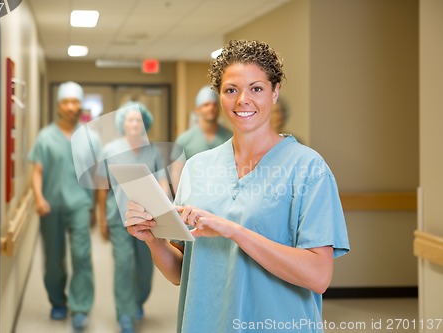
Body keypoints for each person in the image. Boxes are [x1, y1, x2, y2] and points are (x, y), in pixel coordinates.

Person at [125, 40, 350, 333]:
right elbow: (183, 272)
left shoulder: (308, 168)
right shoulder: (198, 167)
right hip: (204, 322)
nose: (243, 100)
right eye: (231, 90)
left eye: (256, 88)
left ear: (275, 92)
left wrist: (233, 230)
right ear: (220, 96)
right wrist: (152, 238)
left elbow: (319, 276)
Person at [29, 81, 98, 331]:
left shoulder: (90, 137)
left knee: (81, 256)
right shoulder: (45, 137)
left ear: (81, 105)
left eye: (75, 102)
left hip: (80, 205)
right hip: (52, 206)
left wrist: (96, 210)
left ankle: (80, 307)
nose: (71, 107)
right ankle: (58, 302)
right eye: (67, 102)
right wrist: (38, 198)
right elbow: (37, 171)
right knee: (54, 259)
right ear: (59, 105)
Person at [97, 101, 169, 333]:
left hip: (148, 219)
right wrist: (100, 218)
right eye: (130, 120)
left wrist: (165, 205)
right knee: (124, 265)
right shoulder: (110, 150)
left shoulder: (153, 151)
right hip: (118, 217)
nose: (135, 123)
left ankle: (138, 300)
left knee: (145, 266)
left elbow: (162, 181)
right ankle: (125, 313)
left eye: (139, 120)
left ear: (145, 123)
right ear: (123, 124)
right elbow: (102, 186)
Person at [175, 85, 232, 160]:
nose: (211, 108)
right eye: (206, 105)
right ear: (197, 110)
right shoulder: (183, 141)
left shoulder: (230, 138)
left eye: (214, 104)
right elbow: (177, 170)